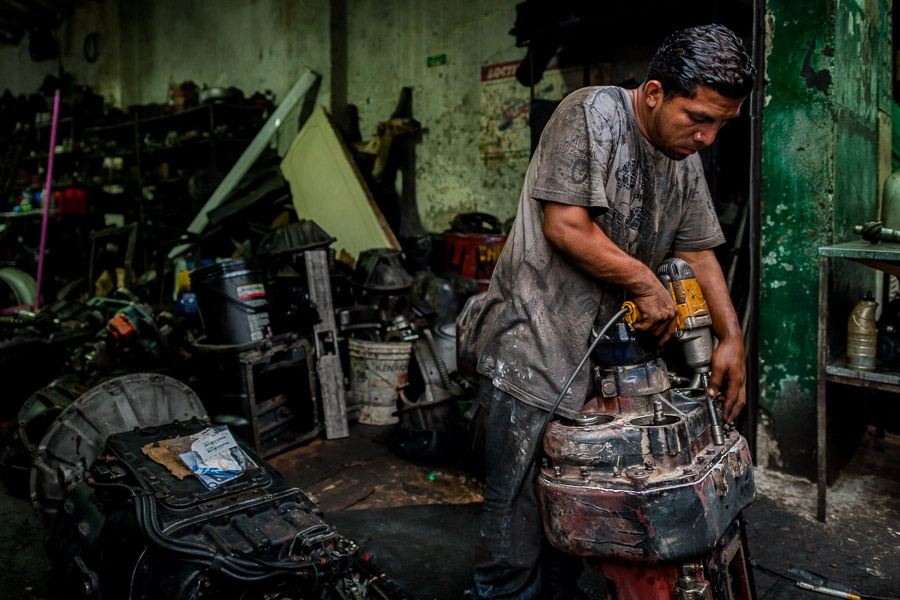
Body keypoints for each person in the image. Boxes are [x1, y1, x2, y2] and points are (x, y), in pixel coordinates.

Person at [465, 23, 756, 600]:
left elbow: (696, 249)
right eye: (698, 117)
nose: (707, 136)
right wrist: (645, 283)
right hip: (534, 347)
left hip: (609, 361)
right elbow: (565, 225)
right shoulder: (589, 114)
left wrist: (731, 339)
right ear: (654, 93)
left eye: (721, 123)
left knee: (572, 521)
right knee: (515, 530)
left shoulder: (684, 153)